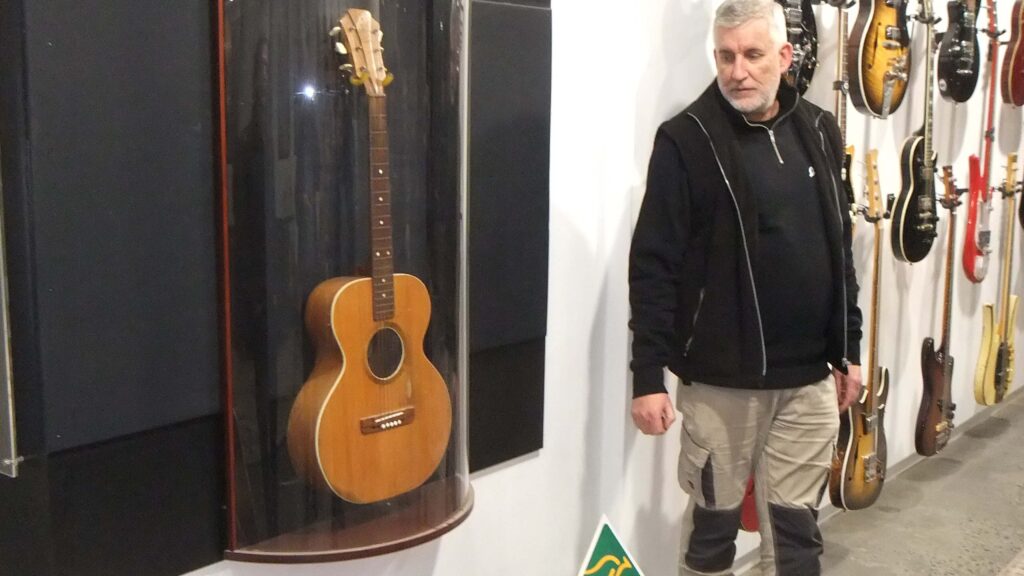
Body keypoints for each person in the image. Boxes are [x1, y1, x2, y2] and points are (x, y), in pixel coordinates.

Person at [627, 1, 863, 574]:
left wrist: (849, 350)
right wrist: (647, 377)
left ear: (784, 57)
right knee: (712, 538)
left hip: (809, 383)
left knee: (798, 538)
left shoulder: (820, 129)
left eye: (754, 55)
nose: (739, 71)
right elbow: (654, 265)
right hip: (720, 383)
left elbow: (839, 245)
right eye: (726, 56)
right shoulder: (686, 141)